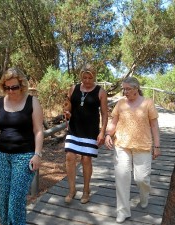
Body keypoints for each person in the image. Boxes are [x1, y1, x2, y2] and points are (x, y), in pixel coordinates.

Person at [0, 67, 44, 225]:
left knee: (15, 201)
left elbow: (38, 130)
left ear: (22, 85)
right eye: (7, 87)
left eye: (14, 87)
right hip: (2, 156)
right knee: (3, 200)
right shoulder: (0, 103)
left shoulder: (32, 102)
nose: (11, 90)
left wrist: (37, 154)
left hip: (24, 156)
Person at [104, 77, 160, 223]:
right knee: (122, 177)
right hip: (122, 145)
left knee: (141, 178)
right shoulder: (121, 103)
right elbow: (114, 121)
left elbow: (154, 126)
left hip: (143, 145)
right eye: (124, 88)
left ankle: (144, 196)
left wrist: (157, 146)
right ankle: (122, 211)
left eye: (128, 89)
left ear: (136, 88)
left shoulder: (148, 103)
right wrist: (108, 134)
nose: (125, 91)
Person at [64, 63, 108, 204]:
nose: (87, 80)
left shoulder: (100, 92)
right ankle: (72, 190)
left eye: (90, 77)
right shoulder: (74, 88)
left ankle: (86, 190)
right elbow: (69, 105)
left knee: (86, 160)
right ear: (81, 76)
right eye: (85, 77)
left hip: (90, 130)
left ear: (94, 76)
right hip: (74, 128)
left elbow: (105, 114)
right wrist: (67, 112)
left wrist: (102, 132)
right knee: (70, 157)